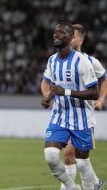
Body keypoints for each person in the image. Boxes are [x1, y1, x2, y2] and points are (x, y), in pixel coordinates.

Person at [42, 24, 106, 190]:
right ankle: (71, 187)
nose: (56, 35)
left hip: (81, 119)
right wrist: (48, 98)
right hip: (59, 116)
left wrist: (67, 92)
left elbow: (94, 93)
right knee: (50, 156)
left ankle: (92, 186)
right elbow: (52, 85)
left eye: (61, 33)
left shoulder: (83, 61)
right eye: (55, 32)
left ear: (71, 38)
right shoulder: (52, 61)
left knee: (83, 164)